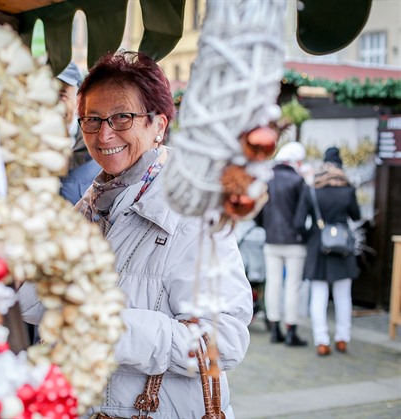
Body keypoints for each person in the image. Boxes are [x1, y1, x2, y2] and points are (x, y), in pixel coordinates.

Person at [19, 51, 252, 418]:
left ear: (158, 124)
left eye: (121, 117)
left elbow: (226, 341)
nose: (104, 133)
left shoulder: (195, 213)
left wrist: (112, 328)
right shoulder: (91, 207)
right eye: (91, 120)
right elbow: (37, 307)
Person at [294, 146, 361, 356]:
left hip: (318, 245)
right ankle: (342, 339)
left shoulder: (312, 189)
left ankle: (321, 341)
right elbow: (357, 216)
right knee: (343, 295)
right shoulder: (348, 189)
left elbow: (297, 223)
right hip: (343, 246)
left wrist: (311, 237)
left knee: (319, 295)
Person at [254, 141, 308, 346]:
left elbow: (258, 211)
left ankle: (274, 328)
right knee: (292, 286)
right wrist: (302, 234)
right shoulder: (298, 181)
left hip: (271, 239)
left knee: (273, 284)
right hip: (295, 241)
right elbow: (302, 217)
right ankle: (291, 330)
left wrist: (266, 227)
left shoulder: (268, 179)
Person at [57, 61, 101, 205]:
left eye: (62, 95)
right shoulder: (24, 147)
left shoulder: (100, 146)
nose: (52, 103)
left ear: (79, 100)